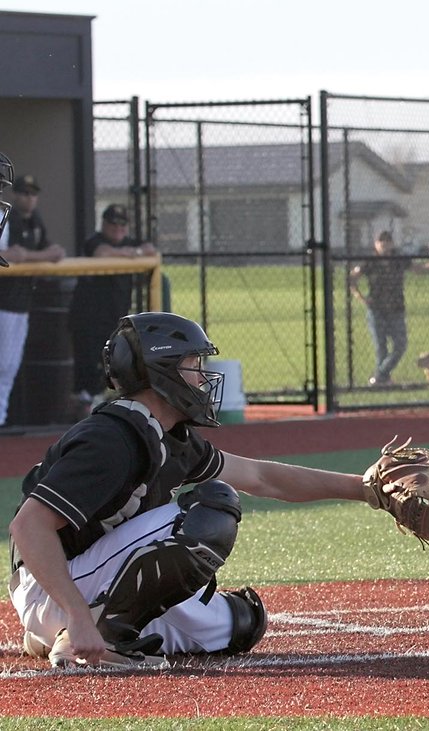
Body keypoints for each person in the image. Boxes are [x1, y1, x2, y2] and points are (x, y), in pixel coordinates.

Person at [7, 311, 372, 668]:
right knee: (212, 508)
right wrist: (74, 610)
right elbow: (28, 527)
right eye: (192, 364)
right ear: (160, 370)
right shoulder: (110, 440)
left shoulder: (164, 435)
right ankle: (90, 632)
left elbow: (263, 477)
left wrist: (366, 489)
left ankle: (60, 630)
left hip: (89, 584)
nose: (202, 377)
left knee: (243, 623)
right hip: (56, 585)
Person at [68, 204, 156, 409]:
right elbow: (101, 253)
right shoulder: (95, 241)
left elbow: (150, 250)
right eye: (113, 224)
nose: (118, 228)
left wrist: (132, 251)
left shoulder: (130, 242)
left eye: (122, 224)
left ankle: (107, 405)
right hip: (87, 319)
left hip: (115, 320)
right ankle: (84, 409)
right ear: (104, 224)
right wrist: (134, 253)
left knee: (116, 366)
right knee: (87, 367)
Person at [0, 174, 67, 426]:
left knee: (8, 367)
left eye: (32, 193)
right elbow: (11, 254)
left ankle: (1, 421)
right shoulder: (9, 217)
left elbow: (55, 252)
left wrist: (26, 255)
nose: (28, 198)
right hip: (4, 301)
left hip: (20, 303)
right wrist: (29, 256)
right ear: (15, 195)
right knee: (3, 366)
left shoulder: (35, 220)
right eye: (24, 193)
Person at [348, 230, 429, 387]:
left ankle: (379, 376)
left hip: (396, 309)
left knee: (400, 344)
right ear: (376, 244)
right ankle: (382, 380)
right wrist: (360, 297)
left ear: (392, 244)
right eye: (380, 241)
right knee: (381, 347)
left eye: (387, 241)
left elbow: (418, 269)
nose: (384, 244)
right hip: (376, 309)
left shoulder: (399, 259)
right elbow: (352, 277)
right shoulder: (370, 262)